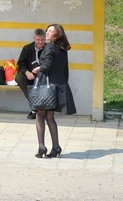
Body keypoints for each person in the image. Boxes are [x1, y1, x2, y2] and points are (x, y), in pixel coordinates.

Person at [31, 23, 76, 158]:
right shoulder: (62, 49)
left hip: (46, 83)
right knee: (50, 116)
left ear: (57, 34)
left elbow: (47, 65)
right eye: (47, 30)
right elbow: (65, 69)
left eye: (51, 31)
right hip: (57, 85)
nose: (48, 33)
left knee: (40, 115)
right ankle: (56, 147)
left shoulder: (50, 46)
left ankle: (41, 146)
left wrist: (38, 68)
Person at [16, 29, 46, 120]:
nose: (40, 42)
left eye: (42, 40)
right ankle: (36, 108)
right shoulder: (27, 48)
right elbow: (21, 64)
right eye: (38, 40)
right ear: (34, 38)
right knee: (19, 78)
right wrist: (27, 72)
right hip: (30, 74)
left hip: (43, 75)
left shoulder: (48, 48)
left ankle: (36, 110)